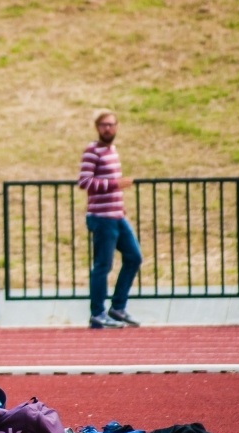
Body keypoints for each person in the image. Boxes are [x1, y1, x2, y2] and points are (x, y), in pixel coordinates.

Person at [77, 109, 143, 329]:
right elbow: (84, 182)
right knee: (102, 266)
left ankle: (117, 307)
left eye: (112, 124)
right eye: (104, 125)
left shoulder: (112, 150)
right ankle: (97, 313)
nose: (108, 128)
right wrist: (114, 184)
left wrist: (121, 208)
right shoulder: (92, 151)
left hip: (117, 216)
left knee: (134, 257)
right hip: (101, 217)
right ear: (97, 127)